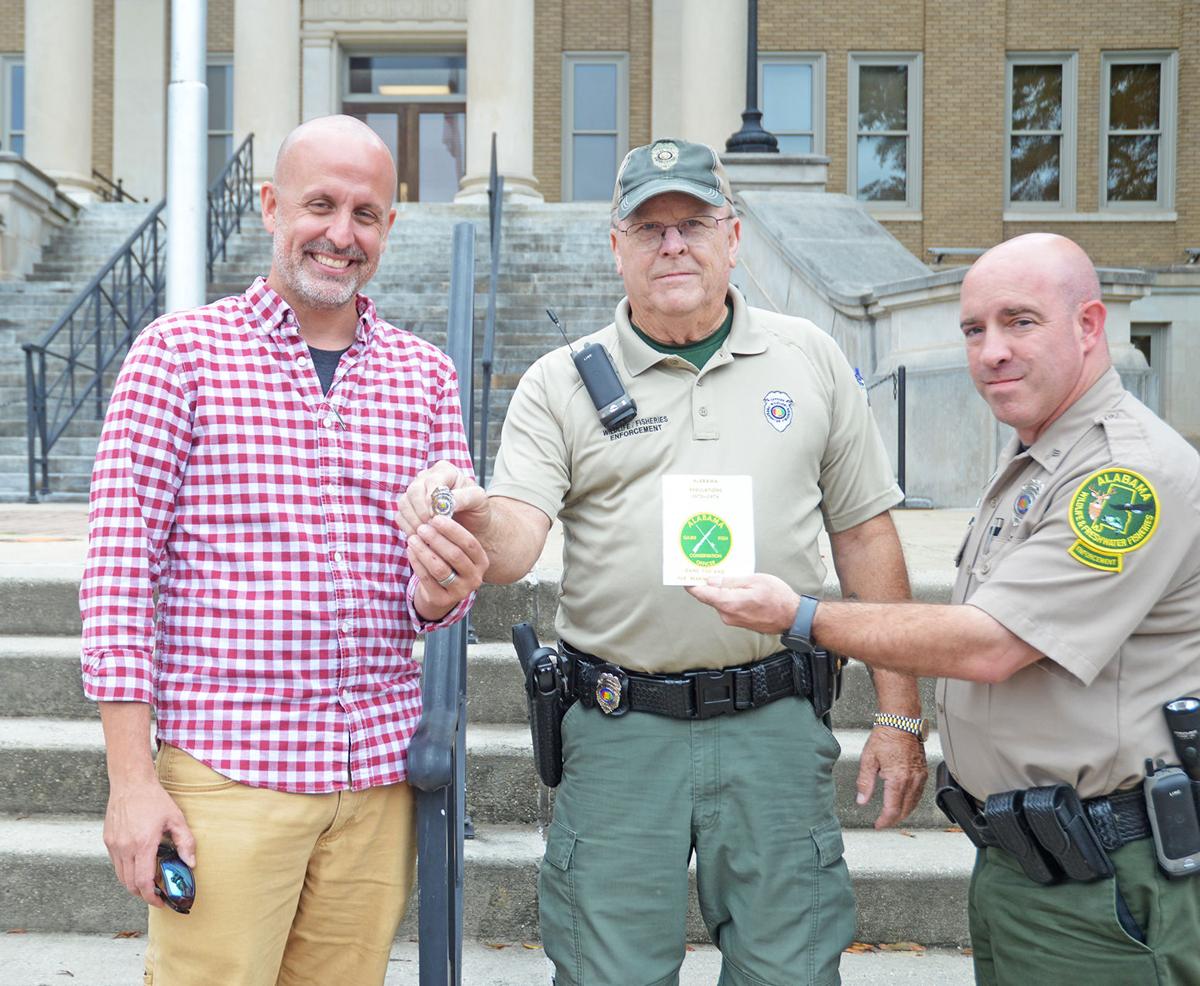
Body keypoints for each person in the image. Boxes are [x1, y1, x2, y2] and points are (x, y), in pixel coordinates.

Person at [398, 138, 927, 986]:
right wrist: (465, 515)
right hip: (620, 736)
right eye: (648, 228)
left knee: (789, 972)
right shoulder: (559, 384)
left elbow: (865, 534)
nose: (672, 245)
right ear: (616, 246)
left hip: (774, 728)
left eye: (691, 223)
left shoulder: (811, 359)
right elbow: (517, 538)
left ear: (733, 236)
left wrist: (900, 718)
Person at [689, 233, 1200, 985]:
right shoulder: (1038, 454)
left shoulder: (1123, 478)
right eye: (973, 329)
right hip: (1031, 865)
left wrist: (799, 616)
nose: (992, 350)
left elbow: (992, 645)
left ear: (1090, 326)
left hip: (1105, 884)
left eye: (1020, 322)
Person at [79, 114, 486, 986]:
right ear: (270, 207)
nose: (342, 235)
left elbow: (441, 598)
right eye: (321, 205)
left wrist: (446, 585)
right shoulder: (177, 357)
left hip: (378, 776)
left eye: (367, 214)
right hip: (230, 772)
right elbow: (118, 579)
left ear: (387, 229)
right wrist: (130, 782)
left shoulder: (427, 378)